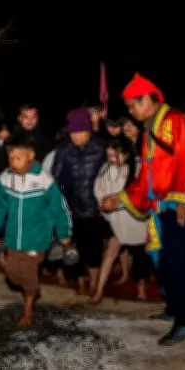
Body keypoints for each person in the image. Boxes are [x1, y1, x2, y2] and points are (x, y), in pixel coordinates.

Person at [100, 74, 185, 345]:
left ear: (147, 99)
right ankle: (174, 310)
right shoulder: (151, 129)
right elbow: (147, 175)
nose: (130, 111)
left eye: (132, 105)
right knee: (162, 259)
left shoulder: (176, 121)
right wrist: (123, 198)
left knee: (179, 262)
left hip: (179, 205)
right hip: (161, 207)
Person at [0, 133, 71, 327]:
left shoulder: (44, 179)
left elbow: (59, 207)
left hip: (37, 239)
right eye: (10, 158)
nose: (13, 162)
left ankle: (27, 311)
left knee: (28, 275)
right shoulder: (5, 179)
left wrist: (64, 233)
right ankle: (31, 290)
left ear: (31, 155)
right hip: (14, 239)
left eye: (18, 158)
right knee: (13, 275)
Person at [51, 108, 107, 295]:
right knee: (73, 248)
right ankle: (80, 282)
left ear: (89, 129)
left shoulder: (102, 148)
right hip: (70, 208)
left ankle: (93, 284)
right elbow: (55, 179)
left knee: (94, 249)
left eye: (79, 131)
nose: (75, 136)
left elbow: (111, 177)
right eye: (72, 132)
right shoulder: (63, 149)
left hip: (95, 208)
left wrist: (105, 201)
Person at [92, 137, 149, 303]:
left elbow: (142, 193)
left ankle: (141, 289)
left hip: (138, 221)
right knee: (110, 252)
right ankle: (98, 290)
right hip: (118, 221)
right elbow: (99, 188)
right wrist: (103, 202)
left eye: (115, 156)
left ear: (127, 154)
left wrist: (118, 201)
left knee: (141, 257)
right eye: (108, 155)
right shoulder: (106, 169)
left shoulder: (139, 168)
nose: (111, 159)